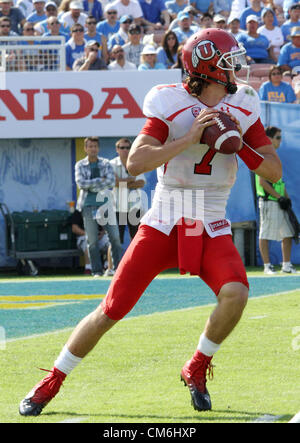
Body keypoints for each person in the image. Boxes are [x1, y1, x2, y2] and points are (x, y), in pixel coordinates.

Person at [19, 28, 282, 417]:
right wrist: (190, 137)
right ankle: (52, 381)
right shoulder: (168, 99)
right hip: (166, 217)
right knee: (111, 309)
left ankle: (195, 366)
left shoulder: (243, 103)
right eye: (229, 62)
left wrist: (236, 140)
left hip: (210, 219)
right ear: (209, 69)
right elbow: (136, 162)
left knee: (237, 293)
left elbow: (273, 172)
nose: (238, 69)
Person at [256, 126, 297, 275]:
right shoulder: (263, 155)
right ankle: (267, 266)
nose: (280, 141)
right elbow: (262, 182)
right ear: (269, 139)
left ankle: (286, 265)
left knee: (288, 233)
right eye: (278, 137)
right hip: (269, 202)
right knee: (265, 233)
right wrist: (279, 197)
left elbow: (279, 181)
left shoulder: (274, 156)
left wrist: (286, 197)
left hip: (279, 202)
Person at [110, 137, 146, 243]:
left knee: (136, 240)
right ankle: (115, 261)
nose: (125, 150)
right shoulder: (111, 164)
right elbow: (114, 183)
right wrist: (131, 179)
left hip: (135, 206)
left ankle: (135, 260)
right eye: (122, 147)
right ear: (117, 149)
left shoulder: (136, 162)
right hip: (118, 207)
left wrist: (121, 182)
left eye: (128, 147)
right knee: (116, 241)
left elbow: (141, 183)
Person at [70, 208, 113, 275]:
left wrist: (102, 233)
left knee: (109, 241)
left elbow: (107, 226)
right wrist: (90, 235)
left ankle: (107, 266)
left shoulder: (101, 208)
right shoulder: (79, 210)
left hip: (99, 236)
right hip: (83, 235)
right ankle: (88, 268)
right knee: (88, 241)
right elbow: (74, 228)